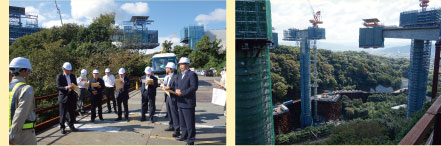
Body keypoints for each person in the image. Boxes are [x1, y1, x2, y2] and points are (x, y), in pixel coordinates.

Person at [9, 57, 37, 145]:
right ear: (23, 72)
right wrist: (12, 136)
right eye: (29, 71)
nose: (29, 74)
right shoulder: (26, 89)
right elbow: (20, 114)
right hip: (23, 135)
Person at [175, 57, 198, 145]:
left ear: (188, 65)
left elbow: (193, 87)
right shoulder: (179, 75)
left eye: (183, 64)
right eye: (180, 64)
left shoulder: (192, 75)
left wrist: (183, 93)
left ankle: (191, 140)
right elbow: (177, 85)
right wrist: (176, 90)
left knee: (190, 123)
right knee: (182, 122)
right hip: (180, 101)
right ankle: (184, 135)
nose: (181, 66)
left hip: (188, 102)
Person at [56, 62, 78, 134]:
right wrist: (66, 87)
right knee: (63, 113)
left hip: (71, 96)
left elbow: (75, 84)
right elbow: (58, 87)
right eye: (67, 70)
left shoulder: (72, 76)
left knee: (72, 113)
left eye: (69, 70)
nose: (69, 72)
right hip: (63, 97)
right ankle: (62, 127)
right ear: (64, 69)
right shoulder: (59, 76)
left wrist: (74, 87)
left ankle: (71, 125)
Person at [163, 62, 181, 137]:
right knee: (169, 112)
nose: (166, 69)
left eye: (167, 68)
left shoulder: (176, 77)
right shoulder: (168, 76)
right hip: (167, 96)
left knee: (174, 113)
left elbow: (177, 87)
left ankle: (177, 129)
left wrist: (170, 88)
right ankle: (171, 126)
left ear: (170, 69)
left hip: (173, 97)